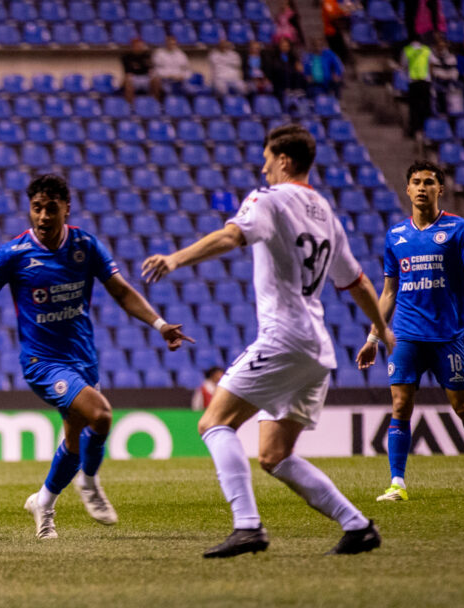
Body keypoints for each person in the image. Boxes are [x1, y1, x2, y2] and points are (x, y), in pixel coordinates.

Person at [142, 124, 394, 558]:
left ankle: (247, 526)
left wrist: (175, 258)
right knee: (275, 454)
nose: (262, 166)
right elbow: (356, 281)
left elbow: (231, 236)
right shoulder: (326, 215)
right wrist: (381, 328)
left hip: (284, 338)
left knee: (212, 423)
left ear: (284, 161)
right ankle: (357, 525)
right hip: (318, 350)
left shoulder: (267, 199)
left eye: (267, 158)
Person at [0, 174, 193, 540]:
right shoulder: (14, 253)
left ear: (66, 208)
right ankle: (89, 481)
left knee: (73, 439)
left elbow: (121, 291)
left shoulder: (86, 245)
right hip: (42, 362)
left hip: (83, 359)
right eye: (36, 208)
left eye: (50, 208)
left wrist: (160, 324)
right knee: (100, 415)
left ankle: (44, 503)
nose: (42, 216)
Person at [356, 160, 464, 502]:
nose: (422, 188)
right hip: (406, 333)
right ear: (407, 189)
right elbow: (389, 292)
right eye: (416, 182)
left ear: (440, 189)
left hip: (448, 334)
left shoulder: (459, 229)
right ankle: (397, 483)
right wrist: (374, 336)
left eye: (429, 182)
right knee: (400, 405)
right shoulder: (395, 236)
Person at [402, 38, 432, 138]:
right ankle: (426, 129)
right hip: (425, 82)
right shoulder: (426, 50)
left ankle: (415, 130)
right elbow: (431, 64)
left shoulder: (407, 50)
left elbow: (404, 65)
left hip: (413, 82)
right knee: (425, 107)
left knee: (414, 108)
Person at [121, 37, 161, 104]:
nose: (139, 47)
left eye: (140, 45)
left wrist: (139, 68)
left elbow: (150, 69)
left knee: (156, 80)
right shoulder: (127, 57)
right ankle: (130, 106)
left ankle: (155, 103)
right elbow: (128, 72)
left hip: (146, 77)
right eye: (137, 46)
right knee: (128, 80)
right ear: (133, 46)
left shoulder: (147, 55)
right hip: (134, 78)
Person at [430, 34, 462, 114]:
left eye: (443, 45)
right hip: (438, 81)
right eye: (439, 45)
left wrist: (449, 77)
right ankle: (440, 112)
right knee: (436, 89)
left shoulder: (451, 57)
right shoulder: (432, 57)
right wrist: (442, 76)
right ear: (436, 46)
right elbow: (434, 72)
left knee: (458, 87)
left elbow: (455, 72)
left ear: (446, 46)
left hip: (450, 81)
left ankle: (455, 112)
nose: (441, 47)